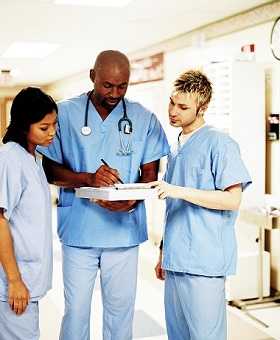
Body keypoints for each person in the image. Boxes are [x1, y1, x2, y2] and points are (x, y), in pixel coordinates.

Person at [37, 50, 169, 340]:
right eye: (107, 85)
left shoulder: (142, 118)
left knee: (121, 314)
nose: (115, 93)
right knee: (76, 313)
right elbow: (49, 170)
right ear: (92, 76)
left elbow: (150, 174)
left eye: (122, 86)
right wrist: (87, 179)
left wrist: (131, 199)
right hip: (79, 232)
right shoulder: (66, 114)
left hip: (124, 234)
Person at [151, 70, 252, 340]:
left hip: (204, 261)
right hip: (176, 259)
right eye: (172, 102)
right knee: (178, 335)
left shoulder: (220, 143)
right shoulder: (175, 147)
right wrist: (163, 252)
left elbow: (233, 199)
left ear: (203, 107)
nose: (173, 111)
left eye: (183, 107)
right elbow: (172, 206)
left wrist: (178, 190)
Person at [0, 87, 57, 340]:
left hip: (27, 279)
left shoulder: (31, 158)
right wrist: (14, 280)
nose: (52, 132)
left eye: (54, 124)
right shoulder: (11, 159)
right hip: (14, 282)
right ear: (24, 126)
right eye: (44, 127)